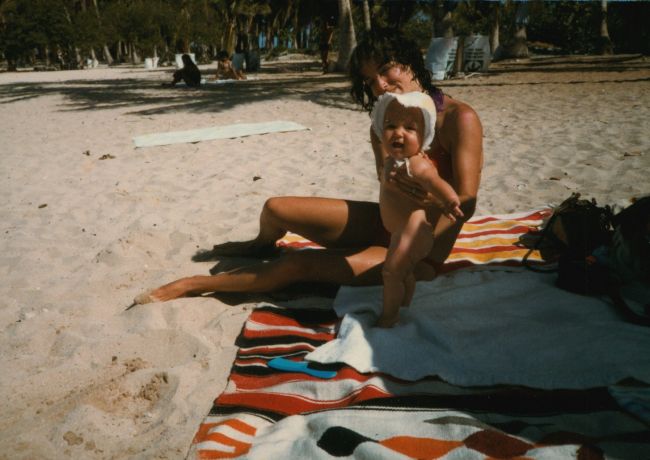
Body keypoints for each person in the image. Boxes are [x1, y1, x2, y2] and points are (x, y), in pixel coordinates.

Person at [134, 30, 483, 328]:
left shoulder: (459, 118)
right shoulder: (384, 126)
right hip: (386, 221)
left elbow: (466, 202)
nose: (378, 84)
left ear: (410, 60)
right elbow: (385, 183)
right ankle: (260, 246)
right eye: (369, 79)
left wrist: (429, 207)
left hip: (419, 249)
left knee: (297, 264)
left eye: (384, 70)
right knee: (275, 209)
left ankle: (193, 284)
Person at [372, 91, 463, 327]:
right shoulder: (393, 159)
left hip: (413, 231)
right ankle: (405, 303)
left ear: (424, 138)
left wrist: (449, 199)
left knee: (391, 273)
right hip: (399, 232)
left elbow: (435, 181)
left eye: (410, 128)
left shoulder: (416, 163)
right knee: (404, 271)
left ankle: (389, 316)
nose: (398, 132)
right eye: (390, 125)